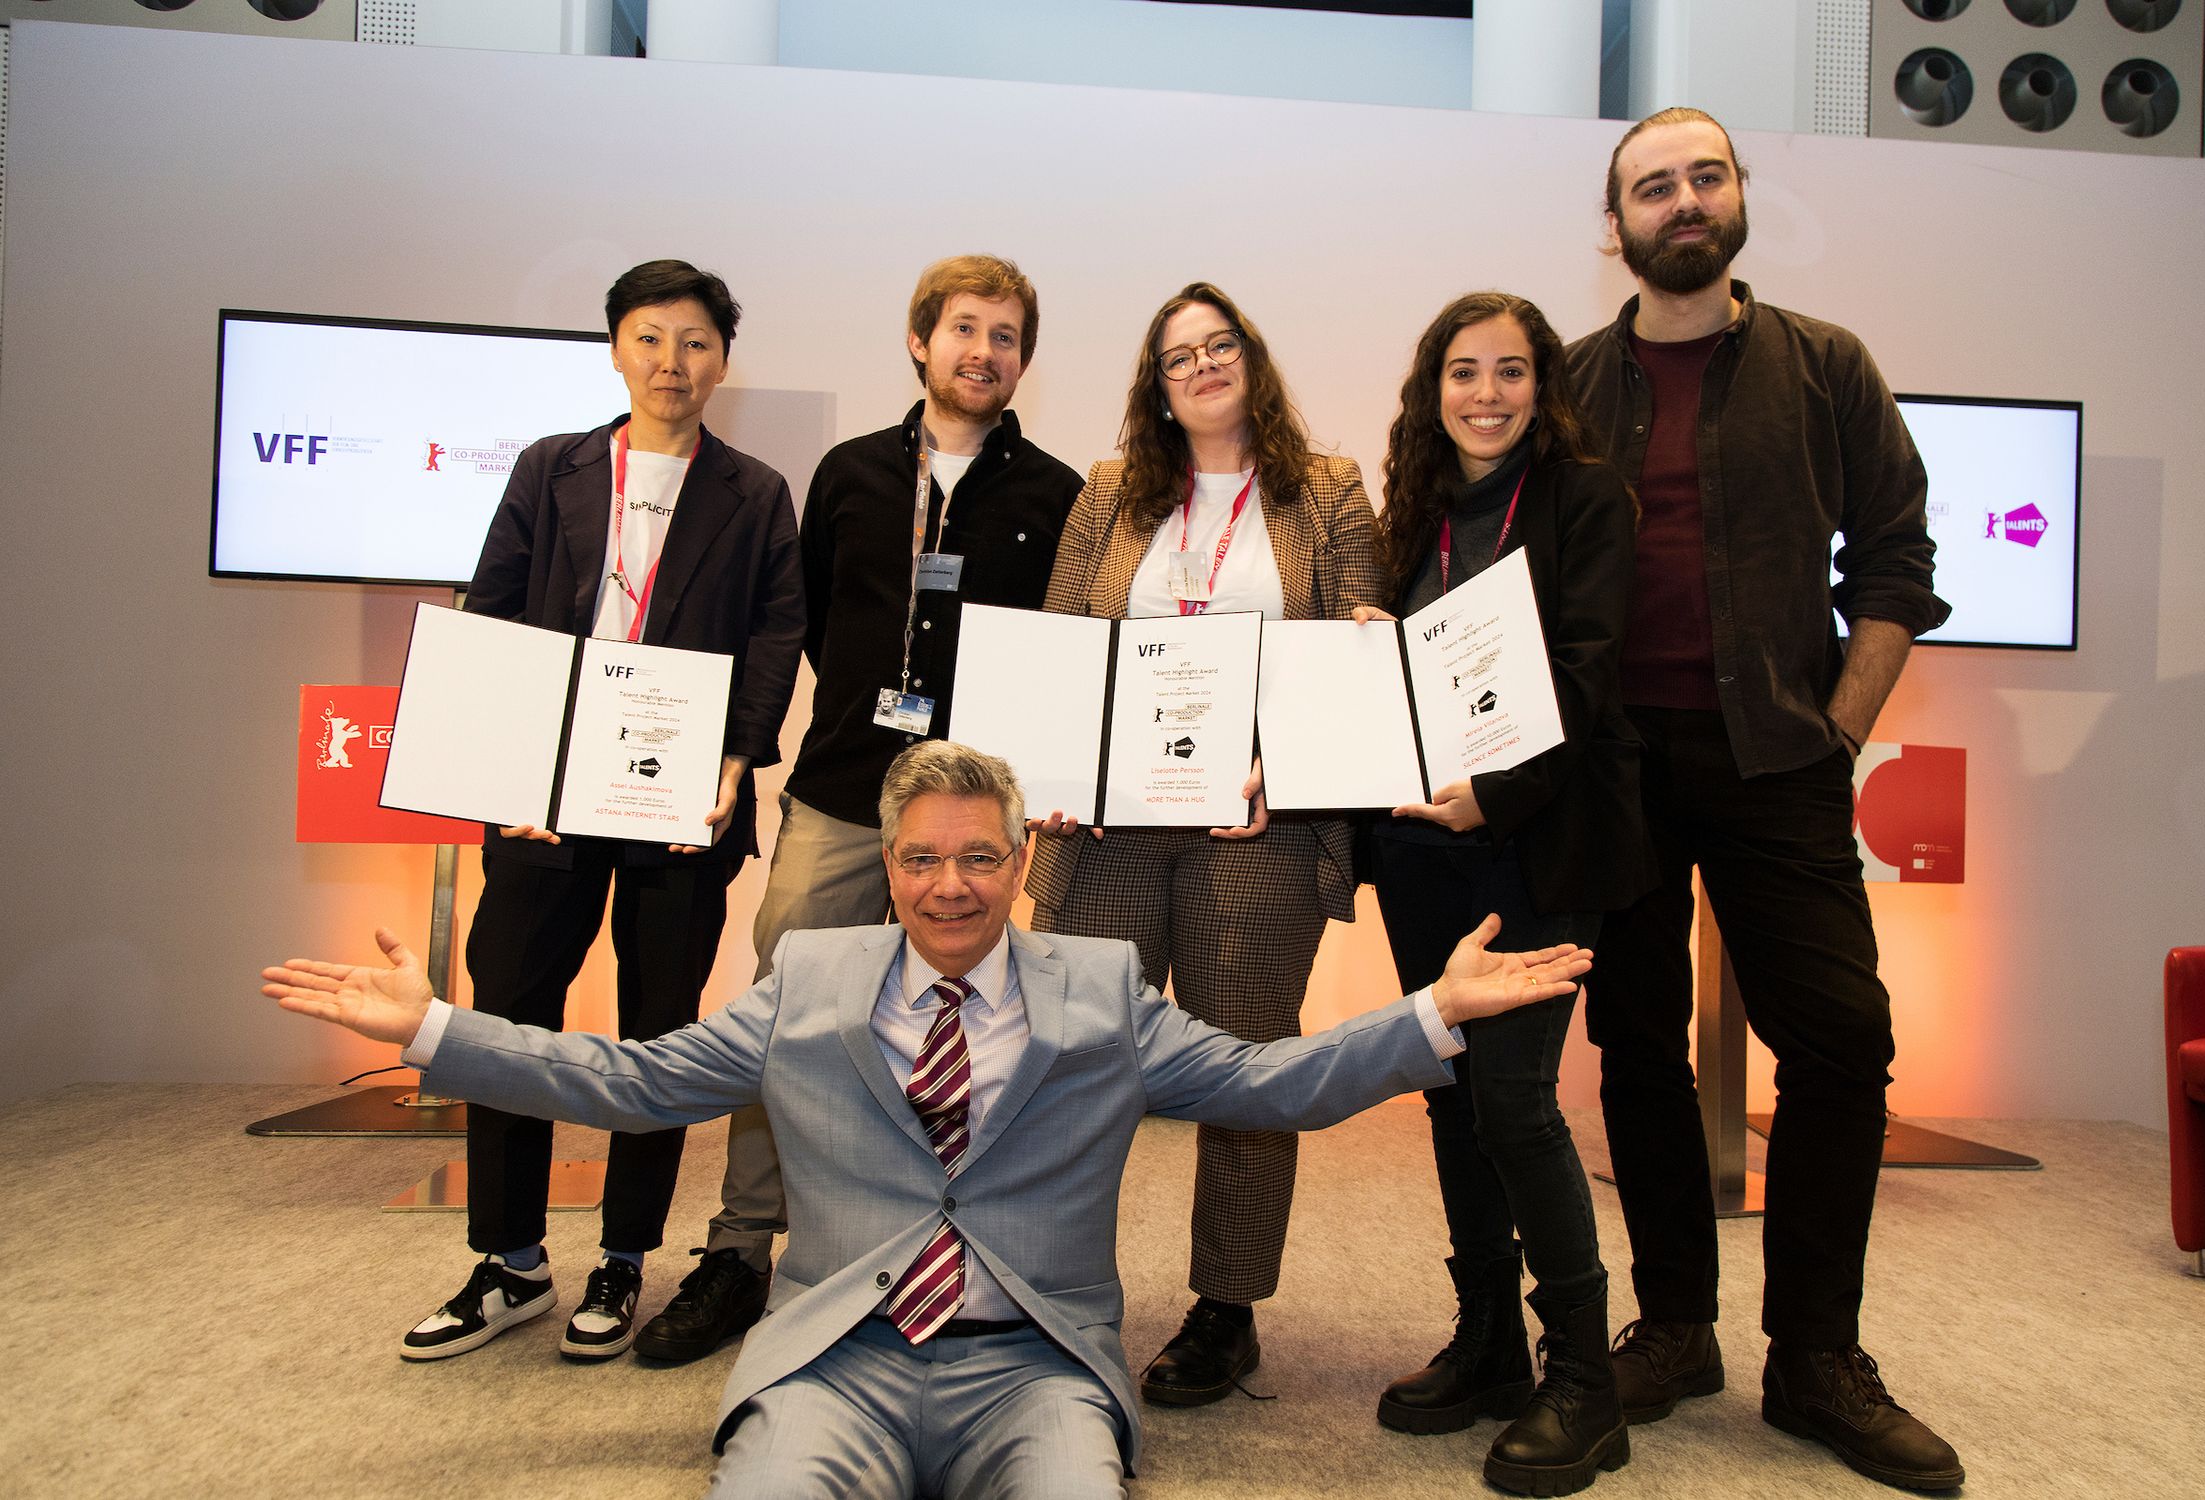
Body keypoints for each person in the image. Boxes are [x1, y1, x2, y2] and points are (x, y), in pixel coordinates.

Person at [264, 741, 1596, 1500]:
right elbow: (631, 1083)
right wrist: (432, 1030)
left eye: (977, 858)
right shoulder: (808, 984)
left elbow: (1262, 1088)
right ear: (887, 866)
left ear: (1020, 863)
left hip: (1032, 1371)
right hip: (837, 1363)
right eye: (918, 858)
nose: (948, 887)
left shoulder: (1099, 991)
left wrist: (1432, 1013)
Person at [1564, 108, 1963, 1491]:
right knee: (1634, 1044)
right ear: (1611, 226)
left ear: (1735, 201)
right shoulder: (1569, 386)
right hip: (1615, 767)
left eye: (1703, 177)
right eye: (1651, 187)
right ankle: (1674, 1327)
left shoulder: (1822, 367)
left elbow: (1899, 560)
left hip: (1775, 760)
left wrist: (1840, 731)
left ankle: (1815, 1357)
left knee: (1842, 1044)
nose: (1682, 201)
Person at [636, 255, 1082, 1363]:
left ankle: (932, 1250)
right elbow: (813, 623)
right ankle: (740, 1249)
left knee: (964, 1035)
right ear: (919, 340)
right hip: (844, 792)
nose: (984, 351)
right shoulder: (844, 476)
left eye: (1007, 335)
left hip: (976, 821)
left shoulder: (1058, 494)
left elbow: (1072, 654)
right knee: (789, 1009)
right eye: (965, 328)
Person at [423, 259, 805, 1362]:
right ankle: (508, 1260)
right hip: (544, 801)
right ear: (615, 349)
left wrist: (738, 759)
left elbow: (776, 636)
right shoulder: (553, 470)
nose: (672, 364)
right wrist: (509, 773)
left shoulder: (756, 492)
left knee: (661, 1032)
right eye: (650, 338)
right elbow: (492, 614)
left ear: (722, 361)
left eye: (694, 343)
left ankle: (627, 1257)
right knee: (506, 1021)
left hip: (680, 805)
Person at [1028, 281, 1386, 1406]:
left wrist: (1287, 765)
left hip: (1258, 831)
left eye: (1219, 344)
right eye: (1178, 354)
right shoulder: (1108, 493)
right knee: (1070, 1059)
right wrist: (1054, 772)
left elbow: (1356, 664)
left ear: (1252, 359)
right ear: (1156, 383)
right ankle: (1043, 1283)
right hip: (1116, 829)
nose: (1202, 365)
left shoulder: (1327, 493)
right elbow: (1063, 650)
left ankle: (1226, 1311)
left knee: (1243, 1067)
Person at [1358, 291, 1654, 1495]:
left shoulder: (1587, 499)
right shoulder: (1412, 514)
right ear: (1433, 390)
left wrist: (1495, 793)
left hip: (1540, 839)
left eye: (1512, 371)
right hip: (1424, 848)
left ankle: (1582, 1381)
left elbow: (1586, 673)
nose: (1487, 394)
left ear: (1544, 385)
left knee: (1520, 1103)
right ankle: (1487, 1343)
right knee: (1452, 1096)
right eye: (1464, 372)